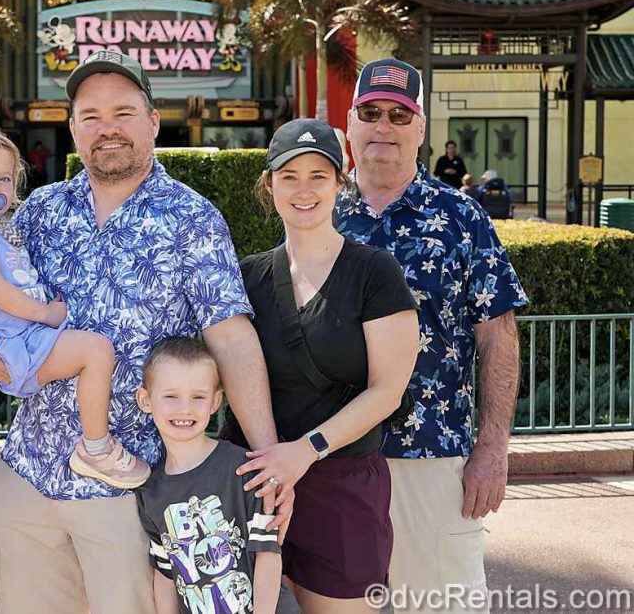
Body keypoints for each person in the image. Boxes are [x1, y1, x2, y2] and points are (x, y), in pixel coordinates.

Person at [0, 50, 283, 614]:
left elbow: (230, 336)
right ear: (74, 127)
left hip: (133, 491)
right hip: (29, 474)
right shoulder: (39, 212)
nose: (108, 128)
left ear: (154, 122)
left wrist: (268, 456)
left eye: (124, 112)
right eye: (91, 115)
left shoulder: (192, 219)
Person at [338, 58, 528, 613]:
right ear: (350, 123)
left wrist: (492, 448)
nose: (383, 127)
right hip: (335, 461)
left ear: (421, 131)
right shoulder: (316, 211)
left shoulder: (461, 218)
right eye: (371, 112)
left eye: (400, 115)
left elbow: (497, 336)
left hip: (431, 460)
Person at [223, 118, 420, 613]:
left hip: (342, 485)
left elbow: (387, 391)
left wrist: (305, 451)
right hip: (255, 483)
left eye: (318, 175)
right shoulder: (246, 276)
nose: (304, 189)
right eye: (289, 176)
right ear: (270, 185)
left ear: (340, 181)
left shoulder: (374, 271)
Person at [0, 128, 149, 488]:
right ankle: (95, 449)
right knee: (96, 350)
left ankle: (93, 444)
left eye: (3, 178)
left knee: (92, 353)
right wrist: (46, 313)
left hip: (25, 338)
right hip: (15, 342)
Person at [135, 336, 295, 614]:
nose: (184, 408)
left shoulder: (242, 468)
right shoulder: (151, 491)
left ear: (215, 402)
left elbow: (268, 556)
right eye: (171, 396)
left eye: (198, 397)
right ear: (146, 400)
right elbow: (165, 574)